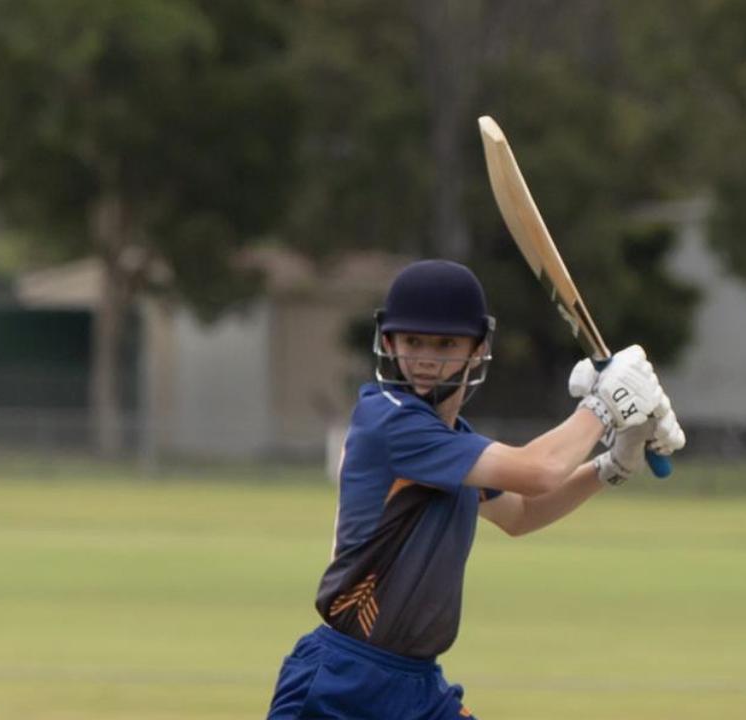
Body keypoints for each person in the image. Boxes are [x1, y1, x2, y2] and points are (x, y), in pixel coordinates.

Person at [266, 259, 685, 719]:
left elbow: (523, 512)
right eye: (413, 341)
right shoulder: (389, 420)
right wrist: (605, 406)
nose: (426, 358)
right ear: (389, 342)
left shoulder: (453, 443)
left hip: (419, 688)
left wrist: (615, 463)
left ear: (477, 348)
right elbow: (539, 469)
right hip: (345, 685)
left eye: (446, 343)